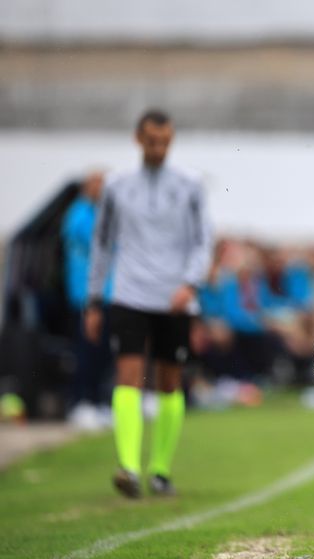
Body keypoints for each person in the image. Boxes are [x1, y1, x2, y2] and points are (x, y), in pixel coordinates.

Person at [85, 109, 213, 498]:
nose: (159, 148)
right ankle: (128, 467)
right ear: (138, 139)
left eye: (165, 142)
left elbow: (203, 240)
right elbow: (102, 243)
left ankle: (160, 470)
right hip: (130, 294)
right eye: (152, 141)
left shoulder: (190, 184)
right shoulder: (116, 185)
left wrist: (190, 283)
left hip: (175, 297)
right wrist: (94, 299)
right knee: (128, 376)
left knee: (169, 383)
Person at [61, 170, 114, 429]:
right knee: (86, 349)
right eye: (99, 184)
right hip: (84, 296)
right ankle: (79, 403)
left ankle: (96, 401)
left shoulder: (101, 213)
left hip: (106, 295)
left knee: (103, 351)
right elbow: (100, 241)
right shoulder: (79, 213)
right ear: (88, 186)